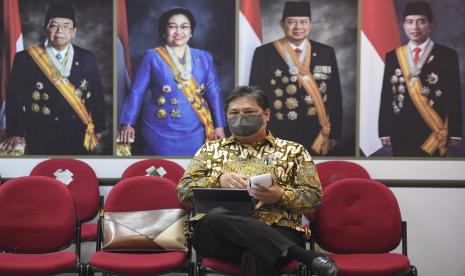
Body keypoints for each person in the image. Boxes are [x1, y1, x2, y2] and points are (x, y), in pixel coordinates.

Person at [177, 86, 338, 276]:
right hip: (216, 236)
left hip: (278, 230)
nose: (240, 117)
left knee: (258, 253)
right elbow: (183, 192)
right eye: (234, 113)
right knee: (217, 215)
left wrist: (280, 195)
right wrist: (217, 180)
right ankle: (306, 257)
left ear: (267, 114)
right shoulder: (208, 150)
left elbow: (314, 197)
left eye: (248, 112)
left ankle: (293, 252)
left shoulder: (294, 152)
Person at [118, 7, 226, 156]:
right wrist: (128, 123)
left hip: (195, 129)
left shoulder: (205, 58)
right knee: (160, 173)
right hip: (159, 128)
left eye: (184, 27)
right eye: (172, 26)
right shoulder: (152, 56)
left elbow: (214, 94)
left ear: (191, 32)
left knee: (191, 174)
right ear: (164, 31)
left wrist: (219, 126)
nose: (178, 31)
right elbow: (137, 92)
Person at [2, 2, 105, 155]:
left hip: (77, 132)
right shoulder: (26, 58)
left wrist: (100, 126)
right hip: (39, 132)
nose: (60, 31)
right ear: (46, 29)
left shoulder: (87, 57)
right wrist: (16, 132)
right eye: (54, 25)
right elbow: (14, 98)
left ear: (74, 32)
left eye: (66, 26)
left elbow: (96, 94)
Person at [249, 1, 342, 156]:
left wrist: (334, 133)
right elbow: (255, 96)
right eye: (291, 22)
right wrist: (258, 131)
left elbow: (335, 95)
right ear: (282, 24)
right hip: (278, 130)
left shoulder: (326, 52)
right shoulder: (264, 53)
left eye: (303, 22)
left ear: (310, 24)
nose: (298, 27)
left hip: (315, 131)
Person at [378, 1, 462, 157]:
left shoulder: (447, 55)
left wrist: (455, 132)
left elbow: (454, 96)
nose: (415, 27)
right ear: (403, 26)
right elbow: (387, 95)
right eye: (409, 22)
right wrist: (384, 131)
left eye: (421, 21)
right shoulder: (393, 56)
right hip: (400, 128)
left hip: (433, 129)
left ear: (431, 25)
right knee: (401, 174)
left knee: (432, 176)